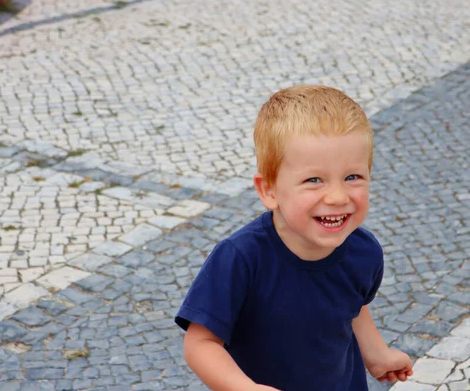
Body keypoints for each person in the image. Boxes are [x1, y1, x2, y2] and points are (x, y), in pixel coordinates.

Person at [175, 85, 413, 390]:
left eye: (352, 177)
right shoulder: (241, 258)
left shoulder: (364, 252)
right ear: (269, 190)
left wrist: (376, 354)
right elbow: (200, 343)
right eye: (314, 180)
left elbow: (351, 305)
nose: (338, 196)